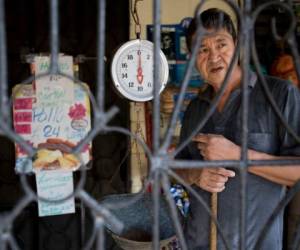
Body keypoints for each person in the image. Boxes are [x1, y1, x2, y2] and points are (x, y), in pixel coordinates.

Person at [175, 8, 300, 250]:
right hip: (200, 243)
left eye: (221, 44)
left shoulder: (279, 95)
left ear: (237, 45)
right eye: (202, 49)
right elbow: (178, 168)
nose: (213, 57)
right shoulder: (195, 109)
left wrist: (237, 155)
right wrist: (196, 175)